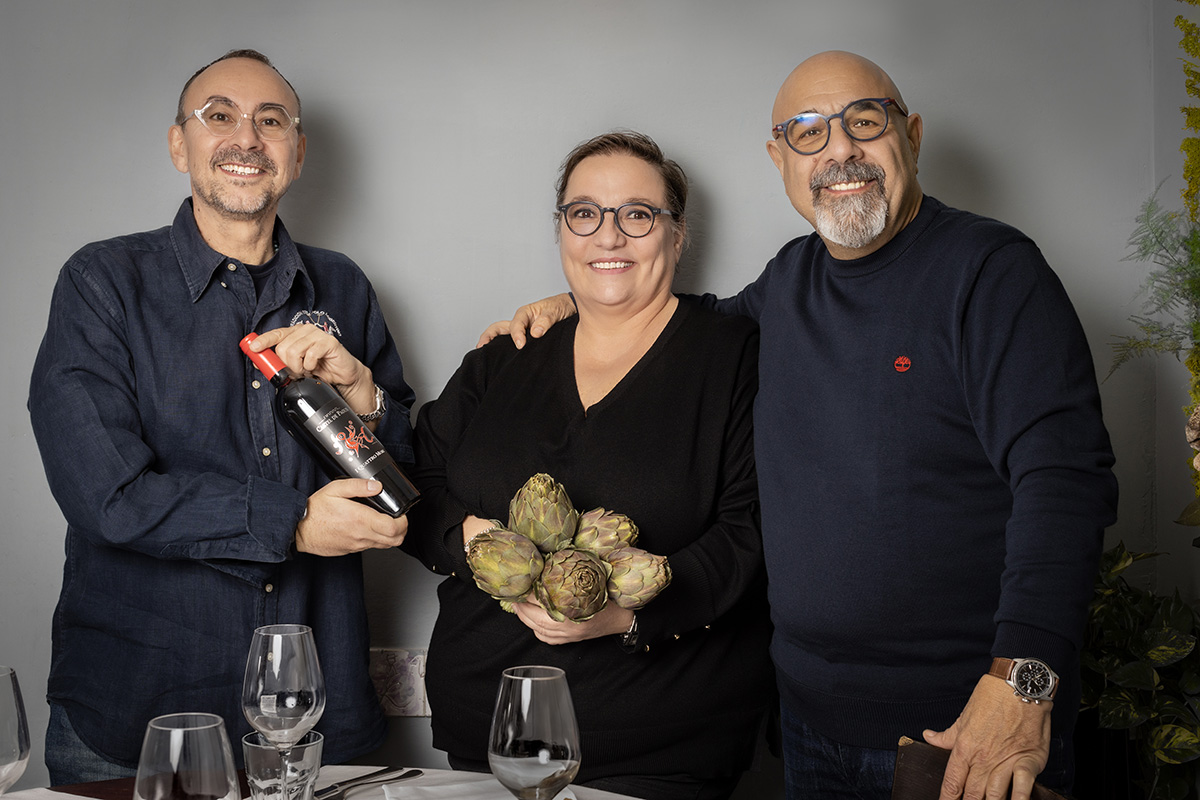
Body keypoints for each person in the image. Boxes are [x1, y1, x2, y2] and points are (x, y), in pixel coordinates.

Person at [481, 52, 1119, 800]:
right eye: (808, 133)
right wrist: (577, 304)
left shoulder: (991, 273)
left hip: (962, 733)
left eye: (864, 121)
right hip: (809, 730)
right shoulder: (788, 283)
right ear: (779, 159)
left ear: (911, 134)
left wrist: (1025, 686)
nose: (839, 149)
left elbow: (1066, 483)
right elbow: (682, 331)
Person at [28, 49, 414, 783]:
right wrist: (292, 520)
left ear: (296, 155)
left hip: (312, 715)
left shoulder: (344, 287)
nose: (246, 138)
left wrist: (365, 395)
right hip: (135, 710)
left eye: (271, 121)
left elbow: (402, 485)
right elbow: (106, 494)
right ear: (180, 145)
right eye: (219, 116)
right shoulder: (102, 282)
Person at [402, 131, 774, 800]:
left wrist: (627, 617)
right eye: (584, 214)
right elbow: (413, 486)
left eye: (637, 214)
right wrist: (474, 543)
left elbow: (751, 532)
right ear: (562, 230)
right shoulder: (502, 358)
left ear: (677, 234)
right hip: (486, 731)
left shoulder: (734, 357)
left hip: (661, 740)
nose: (609, 237)